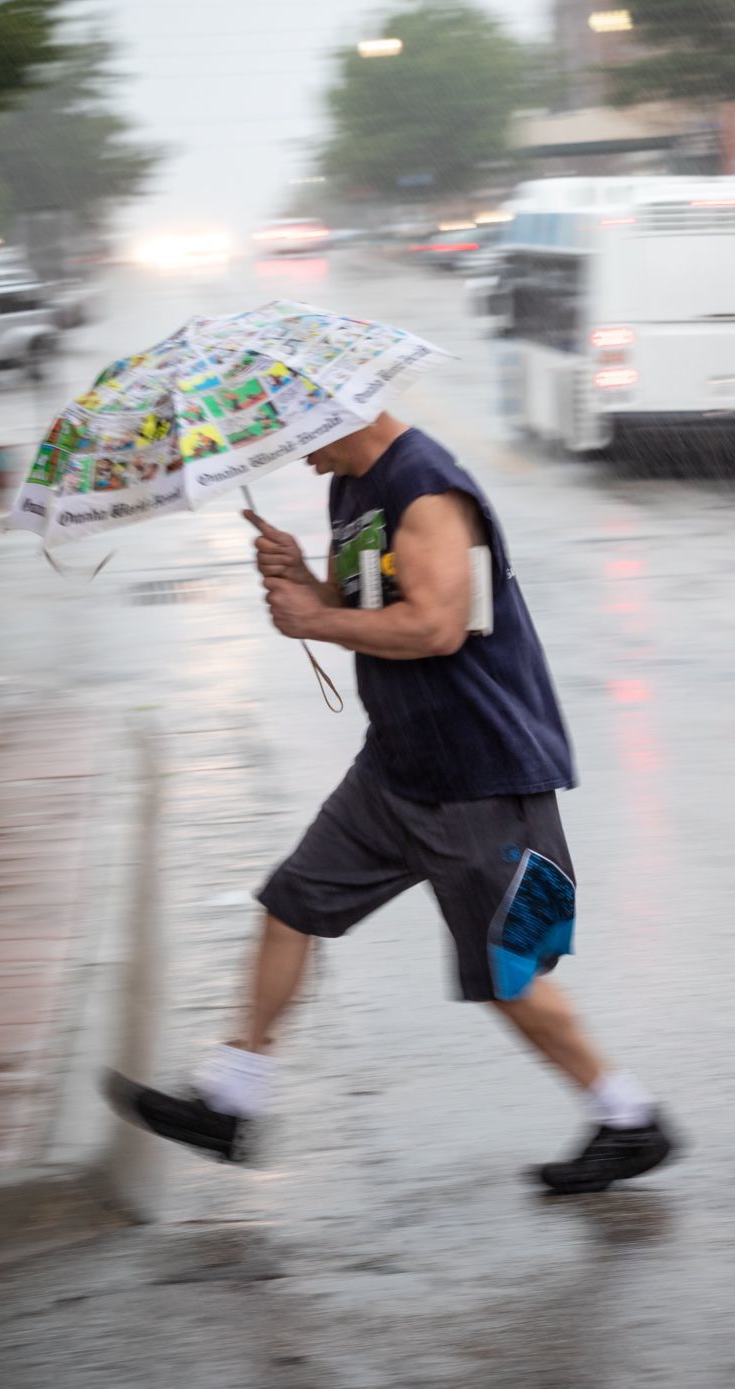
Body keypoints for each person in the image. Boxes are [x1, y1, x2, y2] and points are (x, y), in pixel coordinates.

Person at [109, 412, 676, 1194]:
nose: (302, 461)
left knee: (506, 975)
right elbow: (371, 605)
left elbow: (437, 626)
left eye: (304, 438)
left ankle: (629, 1116)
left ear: (342, 411)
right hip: (399, 765)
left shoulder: (425, 486)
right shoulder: (355, 485)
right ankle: (232, 1096)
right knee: (292, 903)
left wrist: (315, 616)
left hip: (480, 773)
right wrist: (303, 580)